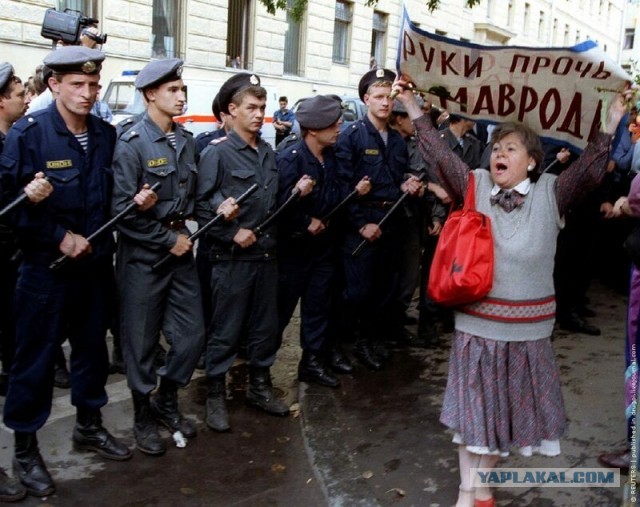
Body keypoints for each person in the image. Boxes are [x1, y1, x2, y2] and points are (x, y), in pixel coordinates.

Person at [392, 76, 630, 507]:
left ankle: (479, 490)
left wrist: (611, 122)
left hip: (527, 334)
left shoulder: (552, 193)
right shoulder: (476, 184)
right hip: (478, 327)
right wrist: (411, 104)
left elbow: (591, 170)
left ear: (533, 162)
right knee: (474, 419)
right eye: (497, 147)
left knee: (498, 420)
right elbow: (438, 156)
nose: (500, 153)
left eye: (512, 148)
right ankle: (470, 494)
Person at [0, 46, 157, 498]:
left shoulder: (106, 135)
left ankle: (88, 425)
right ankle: (25, 450)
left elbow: (107, 197)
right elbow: (12, 211)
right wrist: (57, 235)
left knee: (91, 351)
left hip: (93, 267)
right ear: (54, 85)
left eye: (93, 85)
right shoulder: (28, 135)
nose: (88, 93)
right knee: (35, 360)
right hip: (45, 270)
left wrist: (135, 202)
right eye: (77, 85)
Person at [111, 58, 236, 456]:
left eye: (182, 90)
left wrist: (215, 212)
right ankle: (142, 414)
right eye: (173, 90)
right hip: (144, 258)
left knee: (191, 336)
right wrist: (167, 240)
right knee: (142, 341)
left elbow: (195, 199)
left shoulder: (184, 141)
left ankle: (167, 398)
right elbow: (120, 213)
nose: (182, 96)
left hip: (181, 250)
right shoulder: (131, 142)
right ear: (151, 94)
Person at [196, 73, 314, 432]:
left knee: (265, 328)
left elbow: (271, 202)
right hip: (231, 259)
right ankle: (215, 392)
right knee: (225, 329)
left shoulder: (267, 152)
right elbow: (201, 208)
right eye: (251, 107)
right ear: (232, 110)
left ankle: (260, 387)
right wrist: (232, 232)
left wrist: (296, 192)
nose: (258, 114)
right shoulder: (217, 152)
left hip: (266, 256)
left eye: (262, 107)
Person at [276, 95, 371, 388]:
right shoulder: (289, 158)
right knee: (278, 312)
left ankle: (312, 362)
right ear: (314, 129)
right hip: (293, 249)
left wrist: (354, 192)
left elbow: (335, 196)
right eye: (333, 122)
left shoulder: (332, 157)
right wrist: (305, 221)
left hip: (324, 248)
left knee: (319, 307)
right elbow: (274, 208)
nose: (339, 126)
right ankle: (259, 372)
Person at [334, 68, 424, 371]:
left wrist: (407, 184)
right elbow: (343, 186)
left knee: (385, 288)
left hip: (391, 220)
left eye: (390, 97)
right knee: (358, 290)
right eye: (380, 97)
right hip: (363, 222)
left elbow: (395, 178)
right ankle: (352, 342)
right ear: (366, 99)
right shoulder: (352, 136)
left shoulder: (397, 141)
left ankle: (372, 339)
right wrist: (361, 224)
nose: (386, 103)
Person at [0, 62, 53, 503]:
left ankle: (24, 450)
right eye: (17, 89)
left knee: (21, 359)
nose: (24, 95)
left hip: (16, 265)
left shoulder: (17, 140)